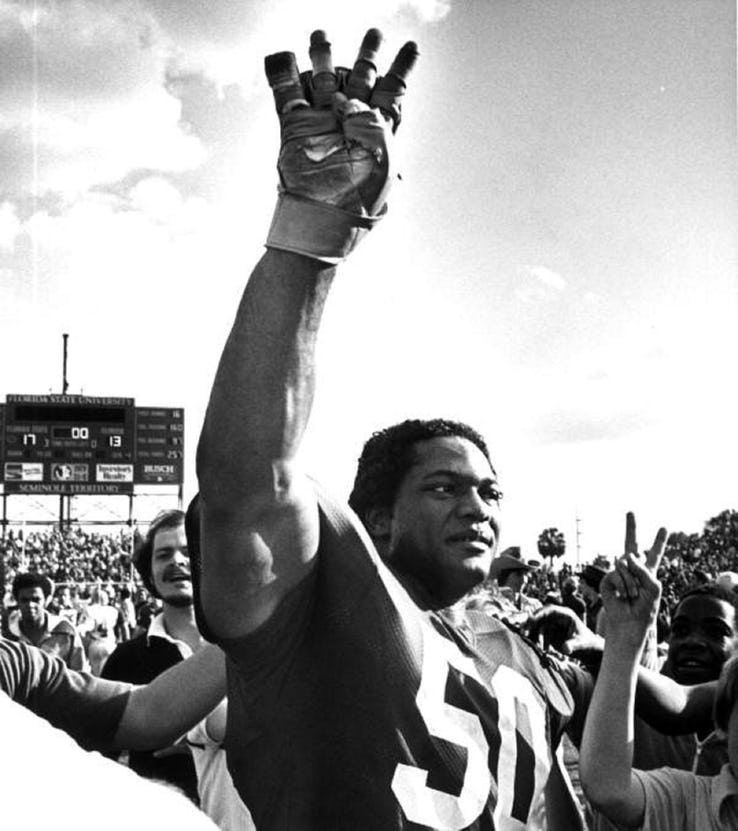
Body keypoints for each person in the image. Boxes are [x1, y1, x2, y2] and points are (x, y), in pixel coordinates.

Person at [189, 29, 717, 831]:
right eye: (444, 485)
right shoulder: (326, 611)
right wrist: (310, 238)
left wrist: (625, 639)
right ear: (376, 518)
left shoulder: (528, 663)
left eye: (489, 489)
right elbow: (248, 481)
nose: (478, 506)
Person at [580, 517, 738, 830]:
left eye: (715, 631)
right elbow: (609, 788)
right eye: (680, 629)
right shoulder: (692, 801)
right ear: (724, 721)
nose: (693, 641)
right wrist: (623, 639)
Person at [102, 509, 201, 802]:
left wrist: (201, 739)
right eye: (163, 554)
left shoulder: (246, 651)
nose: (177, 561)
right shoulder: (126, 659)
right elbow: (102, 755)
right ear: (150, 575)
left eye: (188, 551)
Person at [4, 573, 88, 671]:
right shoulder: (8, 635)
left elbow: (80, 675)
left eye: (36, 600)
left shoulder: (65, 631)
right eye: (24, 600)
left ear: (47, 600)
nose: (30, 605)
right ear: (17, 601)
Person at [487, 548, 542, 626]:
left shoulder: (534, 605)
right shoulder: (489, 604)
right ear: (504, 575)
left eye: (526, 574)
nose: (524, 580)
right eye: (518, 574)